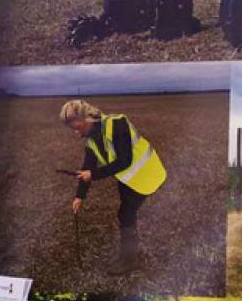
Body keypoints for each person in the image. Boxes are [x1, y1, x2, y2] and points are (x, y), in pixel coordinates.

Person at [60, 100, 168, 275]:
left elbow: (125, 160)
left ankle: (129, 261)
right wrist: (80, 196)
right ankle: (127, 256)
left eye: (77, 126)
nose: (75, 132)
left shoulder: (116, 124)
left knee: (126, 214)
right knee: (125, 215)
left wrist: (93, 175)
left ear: (87, 118)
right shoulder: (91, 141)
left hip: (147, 173)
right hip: (129, 178)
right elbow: (87, 168)